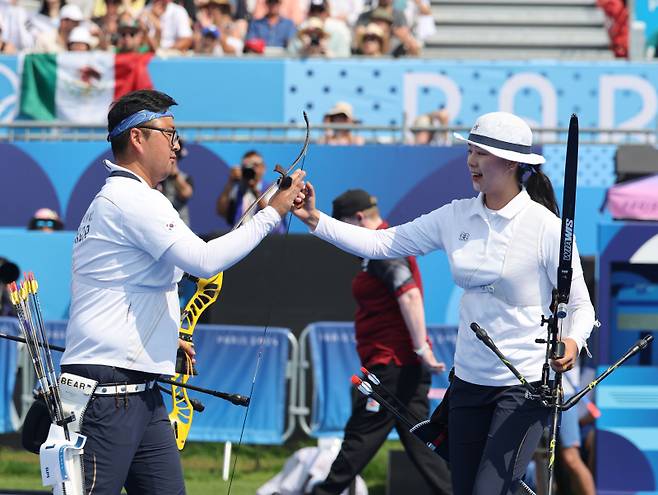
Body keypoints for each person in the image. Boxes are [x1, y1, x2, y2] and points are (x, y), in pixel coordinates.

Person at [293, 111, 595, 495]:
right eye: (470, 150)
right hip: (468, 381)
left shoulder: (546, 227)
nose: (471, 160)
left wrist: (570, 342)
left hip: (524, 384)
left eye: (481, 152)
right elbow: (382, 243)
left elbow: (581, 306)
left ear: (512, 163)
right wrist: (313, 218)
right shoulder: (455, 215)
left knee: (490, 491)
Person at [58, 89, 305, 494]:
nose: (178, 145)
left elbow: (131, 285)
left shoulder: (137, 198)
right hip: (108, 394)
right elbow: (204, 262)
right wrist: (270, 214)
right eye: (169, 132)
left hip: (142, 392)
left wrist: (165, 335)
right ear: (137, 137)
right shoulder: (129, 198)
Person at [311, 188, 450, 495]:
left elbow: (409, 294)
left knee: (358, 442)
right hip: (401, 367)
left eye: (344, 227)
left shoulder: (381, 248)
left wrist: (421, 349)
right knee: (425, 449)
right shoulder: (381, 247)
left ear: (359, 219)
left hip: (391, 367)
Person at [216, 149, 287, 233]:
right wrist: (230, 182)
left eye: (255, 165)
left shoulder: (272, 189)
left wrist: (255, 191)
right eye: (246, 166)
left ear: (263, 168)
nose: (251, 169)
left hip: (270, 240)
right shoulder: (237, 189)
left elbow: (273, 215)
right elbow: (221, 211)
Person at [156, 138, 194, 226]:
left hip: (179, 227)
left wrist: (174, 174)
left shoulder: (185, 178)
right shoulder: (155, 176)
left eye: (176, 153)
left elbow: (186, 193)